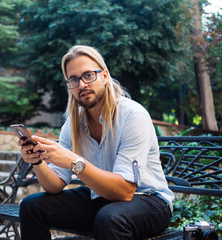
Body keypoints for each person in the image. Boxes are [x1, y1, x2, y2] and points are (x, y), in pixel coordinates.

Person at [19, 45, 174, 240]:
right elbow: (55, 186)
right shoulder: (73, 124)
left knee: (110, 218)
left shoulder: (133, 116)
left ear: (105, 75)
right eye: (73, 79)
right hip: (101, 199)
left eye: (88, 75)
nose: (82, 84)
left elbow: (125, 192)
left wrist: (73, 161)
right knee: (31, 206)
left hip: (149, 200)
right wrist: (37, 161)